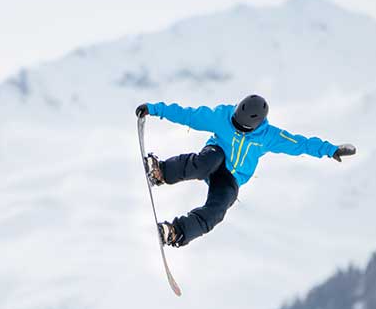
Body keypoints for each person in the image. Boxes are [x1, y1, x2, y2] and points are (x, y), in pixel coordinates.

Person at [136, 94, 356, 247]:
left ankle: (177, 232)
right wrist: (155, 109)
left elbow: (301, 143)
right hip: (216, 154)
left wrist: (330, 150)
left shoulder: (269, 136)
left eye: (242, 129)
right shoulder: (222, 116)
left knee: (219, 208)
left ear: (256, 126)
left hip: (232, 177)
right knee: (206, 162)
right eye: (235, 124)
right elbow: (189, 115)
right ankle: (162, 171)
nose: (237, 129)